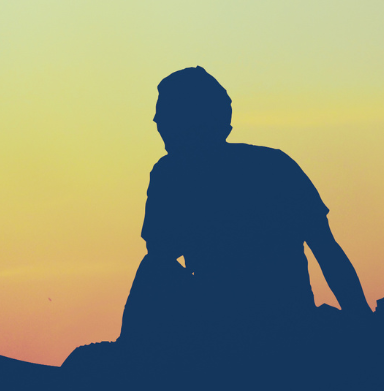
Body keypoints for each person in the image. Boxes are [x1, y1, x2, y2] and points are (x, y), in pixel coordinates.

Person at [120, 66, 371, 354]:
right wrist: (360, 317)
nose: (156, 121)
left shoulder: (171, 175)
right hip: (286, 322)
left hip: (233, 329)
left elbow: (160, 254)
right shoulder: (275, 164)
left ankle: (131, 363)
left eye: (165, 113)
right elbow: (326, 248)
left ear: (189, 119)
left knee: (151, 269)